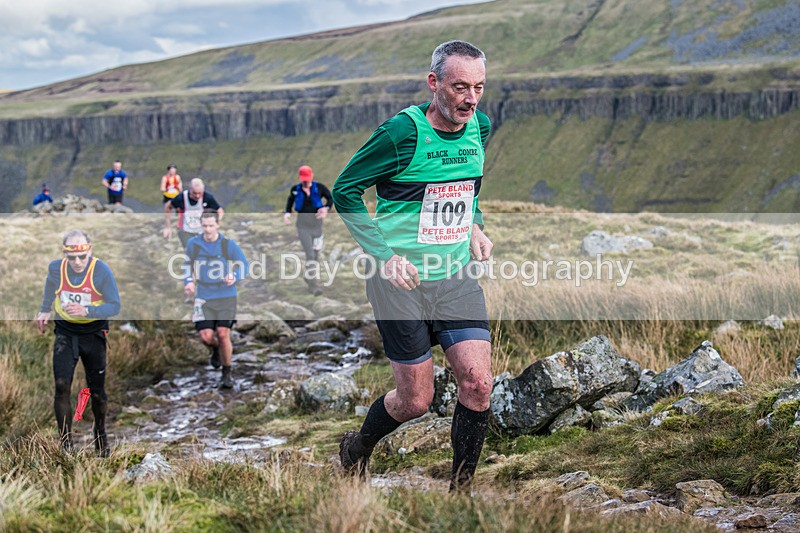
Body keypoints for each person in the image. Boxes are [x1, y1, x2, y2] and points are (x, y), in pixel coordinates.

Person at [332, 40, 494, 492]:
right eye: (460, 87)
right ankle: (357, 448)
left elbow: (468, 188)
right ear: (433, 82)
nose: (471, 99)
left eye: (479, 87)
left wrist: (475, 226)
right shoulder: (401, 134)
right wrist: (384, 257)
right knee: (415, 400)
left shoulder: (480, 127)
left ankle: (461, 494)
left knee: (478, 384)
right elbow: (345, 191)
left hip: (454, 276)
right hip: (400, 285)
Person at [35, 230, 121, 456]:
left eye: (82, 256)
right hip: (65, 333)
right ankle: (65, 446)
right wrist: (45, 309)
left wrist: (87, 310)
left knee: (97, 392)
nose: (77, 262)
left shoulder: (101, 271)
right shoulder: (56, 268)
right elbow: (50, 285)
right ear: (64, 254)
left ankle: (100, 435)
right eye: (71, 257)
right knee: (61, 386)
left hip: (93, 335)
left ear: (90, 250)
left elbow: (115, 306)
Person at [183, 211, 248, 388]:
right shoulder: (194, 244)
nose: (208, 229)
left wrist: (235, 276)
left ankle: (227, 373)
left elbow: (244, 264)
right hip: (203, 295)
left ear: (218, 225)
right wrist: (188, 281)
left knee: (223, 333)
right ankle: (215, 348)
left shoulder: (227, 244)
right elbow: (187, 264)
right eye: (204, 226)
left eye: (211, 226)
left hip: (226, 295)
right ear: (200, 225)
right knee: (206, 337)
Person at [283, 165, 333, 295]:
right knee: (310, 254)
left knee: (315, 256)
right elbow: (290, 201)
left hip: (317, 227)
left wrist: (326, 208)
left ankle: (308, 275)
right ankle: (313, 286)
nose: (305, 181)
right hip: (302, 227)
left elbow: (330, 198)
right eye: (303, 179)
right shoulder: (295, 189)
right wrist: (287, 213)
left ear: (312, 176)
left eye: (307, 178)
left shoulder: (320, 188)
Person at [164, 178, 224, 248]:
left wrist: (215, 222)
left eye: (200, 193)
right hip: (185, 230)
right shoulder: (181, 197)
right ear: (190, 190)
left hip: (202, 231)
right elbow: (168, 207)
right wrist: (168, 227)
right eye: (194, 193)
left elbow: (220, 211)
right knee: (190, 249)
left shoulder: (207, 197)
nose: (197, 196)